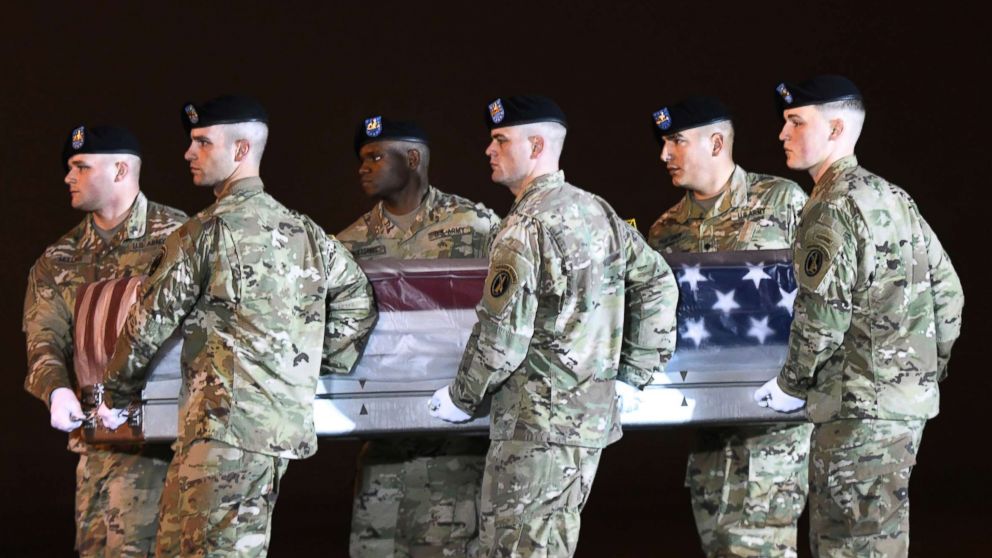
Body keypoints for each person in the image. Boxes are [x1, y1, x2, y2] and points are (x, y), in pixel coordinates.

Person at [95, 95, 378, 556]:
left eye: (203, 142)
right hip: (272, 431)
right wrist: (302, 367)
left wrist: (116, 395)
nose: (189, 153)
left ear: (242, 151)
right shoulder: (304, 232)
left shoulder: (206, 232)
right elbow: (358, 300)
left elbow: (148, 322)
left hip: (221, 433)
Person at [429, 95, 679, 557]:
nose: (489, 149)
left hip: (534, 428)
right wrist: (631, 373)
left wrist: (462, 396)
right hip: (585, 424)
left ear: (537, 145)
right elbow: (659, 282)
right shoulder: (598, 212)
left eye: (501, 140)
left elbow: (502, 337)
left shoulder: (525, 225)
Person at [755, 75, 964, 557]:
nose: (782, 134)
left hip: (855, 412)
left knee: (847, 544)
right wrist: (921, 372)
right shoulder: (895, 198)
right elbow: (949, 295)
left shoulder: (829, 206)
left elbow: (822, 315)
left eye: (795, 122)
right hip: (903, 409)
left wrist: (790, 385)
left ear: (834, 129)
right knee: (882, 541)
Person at [647, 96, 811, 557]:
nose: (665, 154)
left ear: (716, 142)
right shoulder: (664, 231)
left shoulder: (783, 202)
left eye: (676, 141)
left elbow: (827, 295)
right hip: (707, 426)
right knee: (720, 544)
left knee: (759, 547)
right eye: (664, 143)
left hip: (771, 425)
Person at [339, 116, 500, 557]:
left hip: (456, 441)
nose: (363, 167)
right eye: (361, 158)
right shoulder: (347, 246)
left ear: (412, 159)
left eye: (375, 156)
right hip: (385, 443)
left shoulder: (476, 227)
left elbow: (510, 312)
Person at [23, 124, 187, 556]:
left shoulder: (181, 239)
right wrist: (55, 389)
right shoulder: (59, 259)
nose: (67, 177)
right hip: (96, 449)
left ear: (119, 169)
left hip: (166, 448)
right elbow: (44, 340)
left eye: (80, 166)